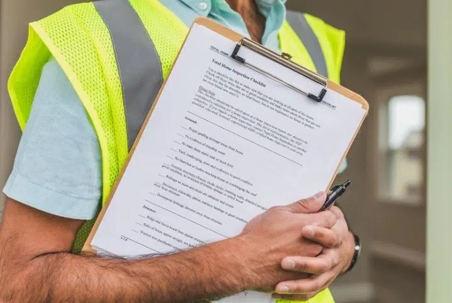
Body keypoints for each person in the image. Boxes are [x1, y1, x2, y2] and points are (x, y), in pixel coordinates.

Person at [0, 0, 360, 302]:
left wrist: (344, 250)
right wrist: (238, 263)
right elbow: (19, 284)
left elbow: (316, 199)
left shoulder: (312, 38)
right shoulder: (92, 38)